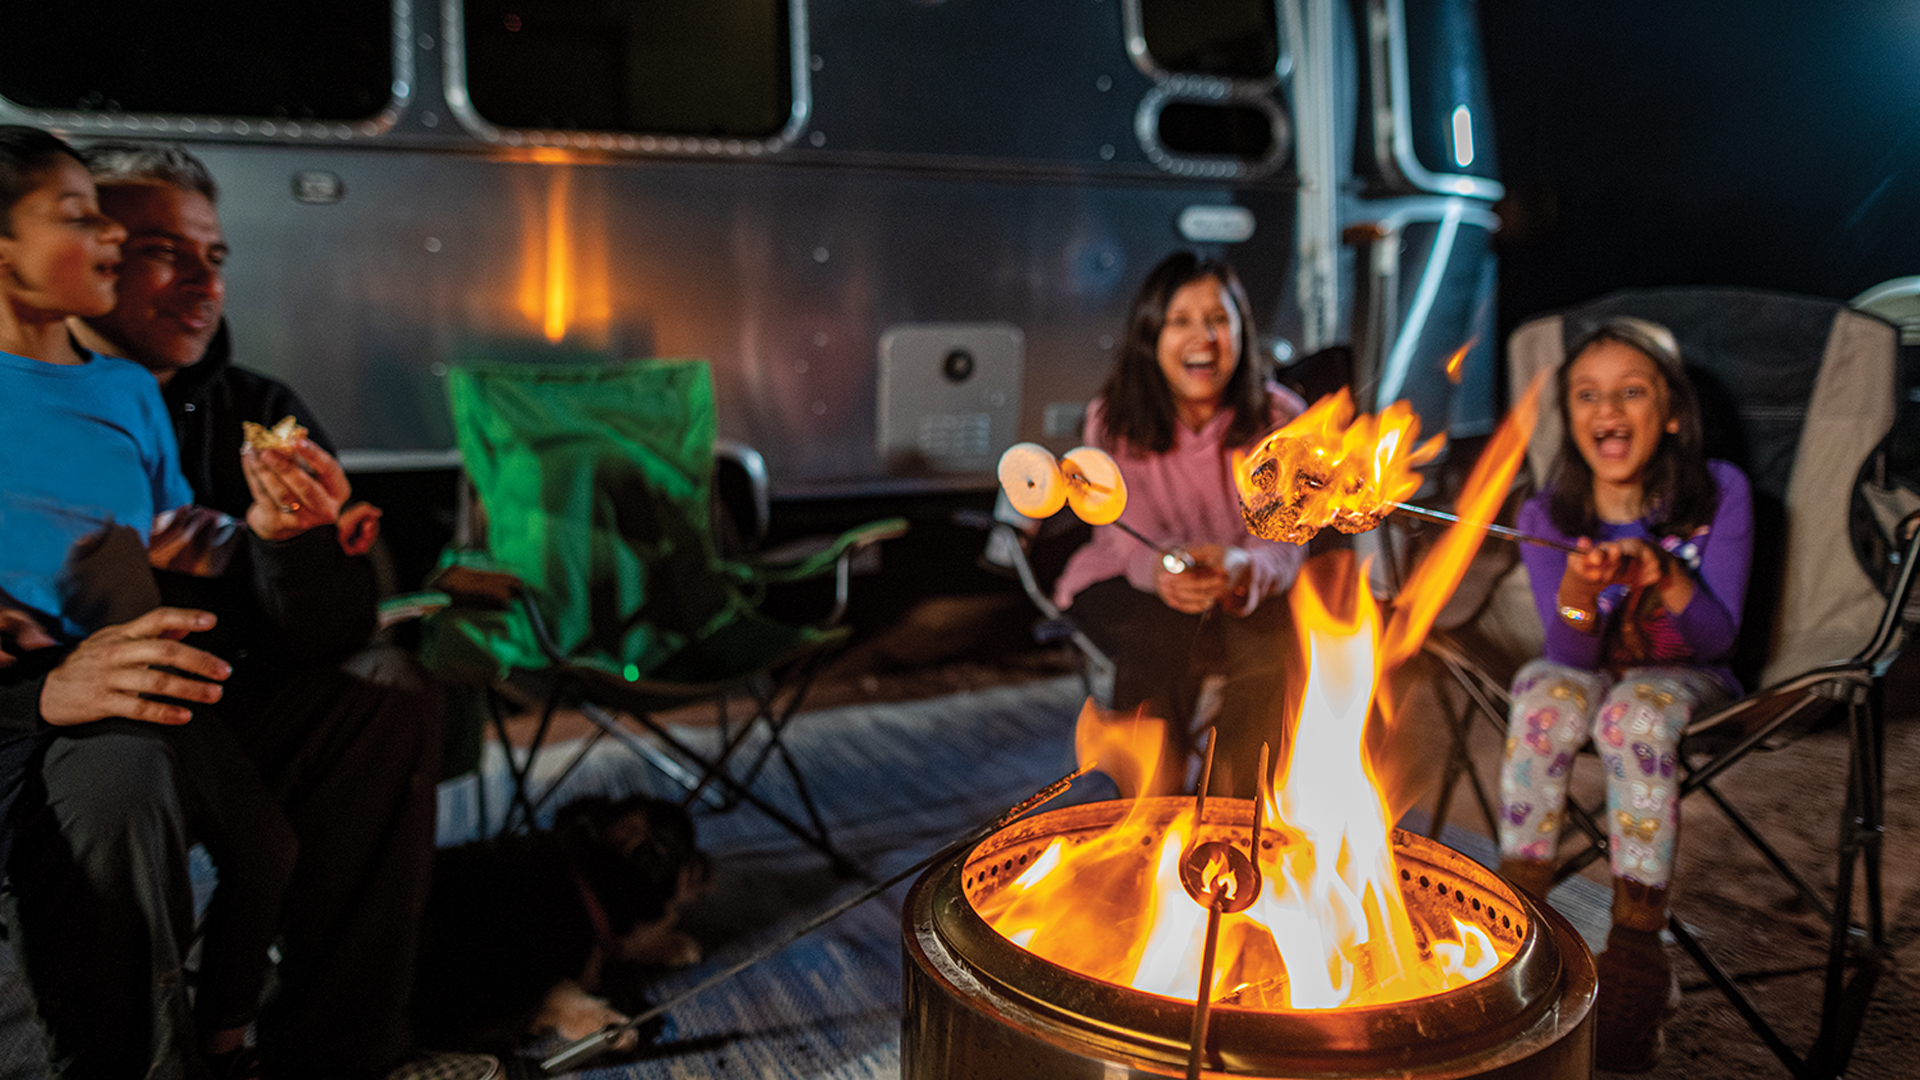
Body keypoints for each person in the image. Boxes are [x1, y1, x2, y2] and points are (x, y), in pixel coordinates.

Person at [0, 133, 482, 1080]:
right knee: (119, 772)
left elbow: (330, 623)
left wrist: (295, 537)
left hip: (216, 704)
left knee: (385, 691)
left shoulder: (251, 408)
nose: (203, 285)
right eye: (161, 252)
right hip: (57, 715)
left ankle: (339, 1054)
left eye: (214, 258)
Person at [1493, 316, 1752, 1072]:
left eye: (1631, 392)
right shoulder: (1548, 517)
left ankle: (1637, 949)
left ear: (1669, 412)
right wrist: (1578, 589)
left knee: (1631, 713)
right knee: (1541, 694)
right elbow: (1569, 648)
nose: (1608, 409)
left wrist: (1664, 577)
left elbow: (1717, 640)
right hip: (1588, 674)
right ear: (1571, 419)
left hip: (1686, 679)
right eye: (1587, 395)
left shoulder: (1719, 495)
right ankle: (1523, 916)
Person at [1050, 251, 1306, 798]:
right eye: (1181, 320)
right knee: (1155, 636)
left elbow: (1288, 538)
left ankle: (1231, 824)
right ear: (1151, 333)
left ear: (1242, 329)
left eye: (1218, 319)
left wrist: (1245, 567)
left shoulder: (1282, 420)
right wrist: (1164, 570)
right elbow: (1124, 534)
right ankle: (1150, 817)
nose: (1203, 338)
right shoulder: (1113, 418)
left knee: (1276, 650)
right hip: (1131, 577)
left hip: (1243, 583)